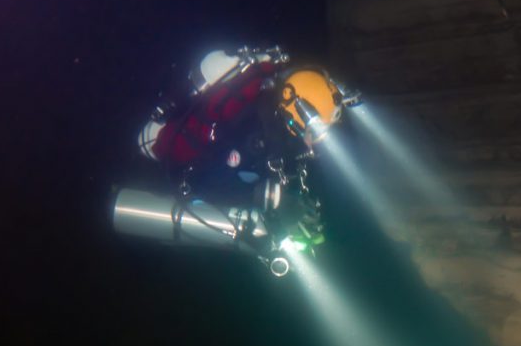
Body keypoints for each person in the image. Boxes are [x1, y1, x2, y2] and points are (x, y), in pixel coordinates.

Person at [124, 44, 362, 274]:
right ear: (294, 119)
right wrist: (270, 202)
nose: (319, 140)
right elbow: (204, 185)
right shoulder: (253, 134)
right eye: (317, 132)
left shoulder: (278, 123)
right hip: (166, 186)